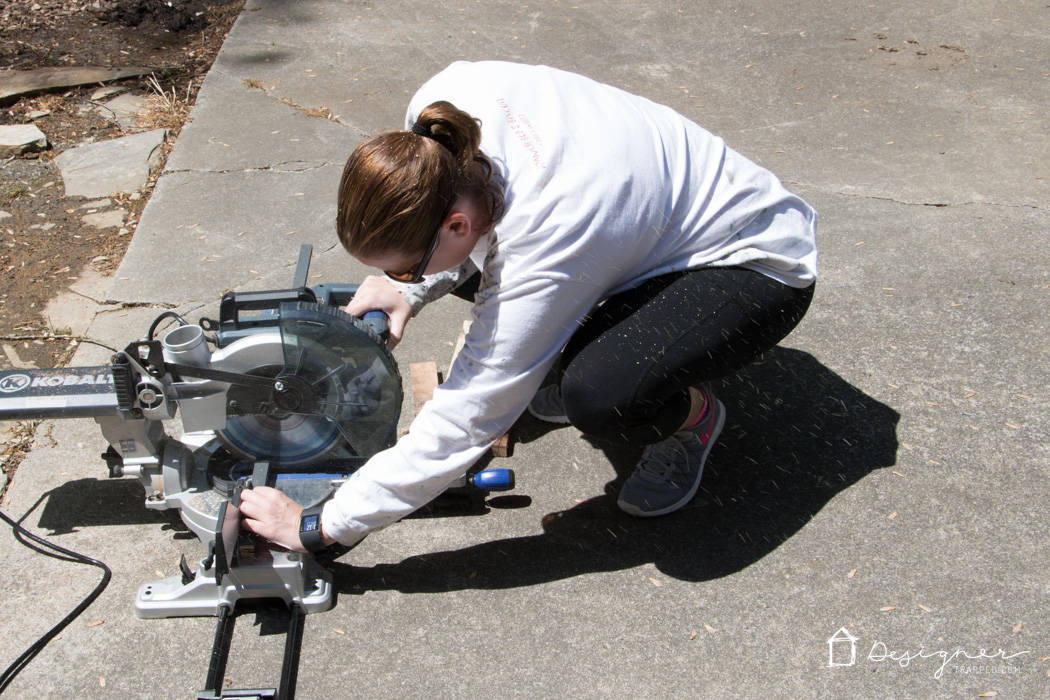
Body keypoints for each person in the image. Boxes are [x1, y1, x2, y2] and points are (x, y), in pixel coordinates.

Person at [239, 60, 817, 551]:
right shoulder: (440, 114)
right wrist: (408, 287)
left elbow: (470, 415)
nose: (401, 279)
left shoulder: (549, 236)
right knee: (503, 306)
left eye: (405, 266)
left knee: (600, 394)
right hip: (629, 230)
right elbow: (474, 236)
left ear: (456, 222)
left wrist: (323, 525)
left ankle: (690, 420)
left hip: (754, 265)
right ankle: (565, 345)